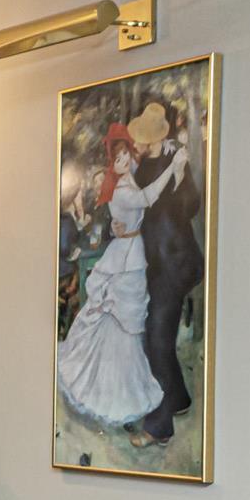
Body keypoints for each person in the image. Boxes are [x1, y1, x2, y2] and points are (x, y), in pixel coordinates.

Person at [56, 117, 193, 432]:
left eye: (125, 155)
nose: (122, 162)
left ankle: (129, 385)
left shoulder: (131, 176)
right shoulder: (120, 190)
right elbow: (146, 199)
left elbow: (146, 178)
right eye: (116, 159)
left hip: (132, 253)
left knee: (129, 326)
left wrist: (172, 158)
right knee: (121, 325)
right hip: (125, 258)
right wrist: (172, 169)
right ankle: (115, 391)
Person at [127, 96, 204, 444]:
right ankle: (179, 399)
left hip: (175, 263)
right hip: (154, 264)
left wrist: (179, 175)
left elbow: (190, 207)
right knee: (156, 336)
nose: (139, 143)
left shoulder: (177, 160)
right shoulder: (143, 168)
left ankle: (158, 427)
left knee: (157, 340)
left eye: (143, 137)